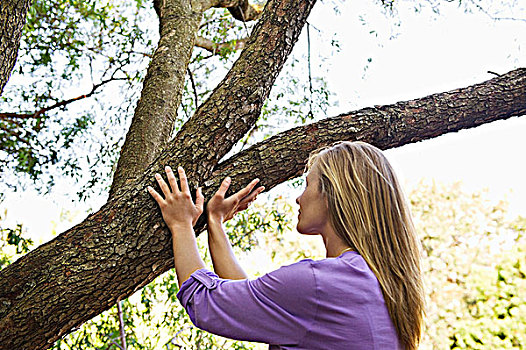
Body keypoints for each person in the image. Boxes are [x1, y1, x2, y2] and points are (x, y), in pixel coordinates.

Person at [147, 141, 425, 350]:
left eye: (307, 185)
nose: (299, 199)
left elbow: (205, 302)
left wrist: (181, 224)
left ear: (333, 194)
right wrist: (215, 221)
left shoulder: (317, 285)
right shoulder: (375, 283)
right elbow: (255, 305)